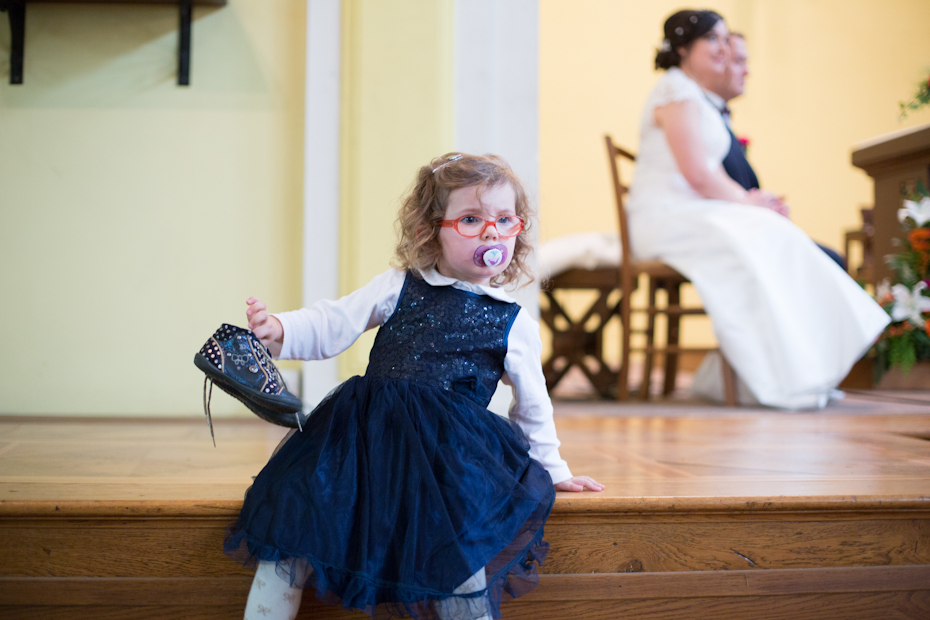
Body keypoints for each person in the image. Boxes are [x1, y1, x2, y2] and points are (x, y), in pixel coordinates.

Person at [224, 153, 604, 620]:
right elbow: (334, 322)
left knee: (457, 560)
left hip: (448, 464)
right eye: (471, 219)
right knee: (292, 540)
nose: (492, 233)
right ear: (429, 230)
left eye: (505, 220)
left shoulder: (513, 322)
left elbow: (533, 405)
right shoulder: (400, 286)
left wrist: (554, 467)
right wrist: (279, 329)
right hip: (361, 445)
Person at [626, 9, 889, 409]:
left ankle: (802, 366)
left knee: (769, 231)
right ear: (682, 48)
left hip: (689, 212)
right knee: (759, 236)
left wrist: (754, 202)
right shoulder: (675, 91)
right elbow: (697, 174)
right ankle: (771, 374)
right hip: (663, 218)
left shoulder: (694, 96)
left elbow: (710, 175)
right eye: (711, 39)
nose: (722, 48)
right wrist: (748, 201)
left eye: (724, 38)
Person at [706, 32, 847, 269]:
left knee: (831, 260)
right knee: (831, 262)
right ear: (718, 63)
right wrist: (757, 205)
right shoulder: (700, 119)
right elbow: (707, 185)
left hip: (746, 226)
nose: (747, 71)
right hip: (729, 233)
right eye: (739, 61)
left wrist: (769, 206)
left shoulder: (719, 119)